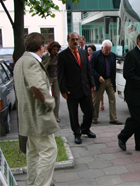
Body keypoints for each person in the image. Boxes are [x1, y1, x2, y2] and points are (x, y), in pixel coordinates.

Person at [14, 32, 60, 186]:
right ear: (42, 47)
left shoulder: (21, 61)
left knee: (33, 152)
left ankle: (33, 183)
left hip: (28, 115)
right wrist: (50, 102)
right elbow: (37, 86)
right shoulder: (31, 62)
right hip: (38, 116)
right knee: (50, 150)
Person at [57, 32, 96, 145]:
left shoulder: (83, 53)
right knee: (73, 114)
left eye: (76, 39)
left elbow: (88, 70)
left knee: (89, 111)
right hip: (71, 90)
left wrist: (92, 83)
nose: (75, 41)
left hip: (85, 88)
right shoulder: (63, 55)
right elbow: (60, 74)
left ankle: (85, 129)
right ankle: (77, 134)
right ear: (68, 40)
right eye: (72, 39)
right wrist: (63, 89)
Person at [90, 40, 122, 125]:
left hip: (109, 80)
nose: (108, 51)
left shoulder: (112, 55)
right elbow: (90, 68)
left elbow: (113, 69)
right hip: (99, 80)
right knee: (96, 100)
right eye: (106, 49)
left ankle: (113, 118)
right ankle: (94, 117)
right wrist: (98, 77)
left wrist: (113, 81)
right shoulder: (95, 55)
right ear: (102, 48)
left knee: (112, 99)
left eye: (109, 49)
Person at [42, 41, 61, 123]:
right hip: (47, 78)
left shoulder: (58, 56)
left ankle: (56, 116)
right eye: (54, 49)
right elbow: (43, 68)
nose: (55, 51)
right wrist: (47, 78)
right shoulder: (46, 56)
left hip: (56, 78)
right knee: (48, 96)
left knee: (57, 96)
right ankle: (48, 114)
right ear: (50, 49)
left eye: (57, 49)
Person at [87, 44, 105, 111]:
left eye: (90, 50)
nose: (88, 51)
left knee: (99, 92)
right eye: (88, 50)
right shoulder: (87, 57)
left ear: (93, 50)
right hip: (89, 76)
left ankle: (102, 103)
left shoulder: (96, 56)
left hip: (95, 76)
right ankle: (92, 104)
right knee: (92, 92)